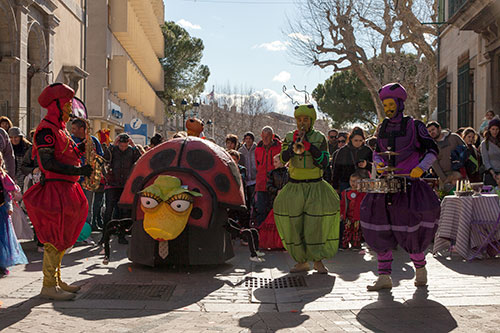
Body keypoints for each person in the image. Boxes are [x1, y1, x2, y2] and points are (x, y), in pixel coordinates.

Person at [360, 83, 440, 291]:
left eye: (390, 104)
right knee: (379, 228)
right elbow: (377, 151)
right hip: (387, 185)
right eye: (384, 104)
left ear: (399, 103)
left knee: (410, 230)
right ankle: (384, 276)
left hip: (410, 185)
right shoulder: (383, 127)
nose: (387, 108)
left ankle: (420, 268)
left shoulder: (415, 126)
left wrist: (421, 168)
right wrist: (377, 161)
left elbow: (432, 150)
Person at [23, 83, 92, 300]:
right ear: (57, 104)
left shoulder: (61, 129)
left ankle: (57, 279)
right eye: (68, 102)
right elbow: (48, 162)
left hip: (67, 188)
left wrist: (83, 148)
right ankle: (48, 286)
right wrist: (78, 170)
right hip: (55, 189)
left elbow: (65, 153)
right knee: (53, 238)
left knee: (63, 236)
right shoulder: (46, 130)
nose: (71, 107)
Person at [274, 104, 340, 274]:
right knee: (295, 224)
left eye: (305, 119)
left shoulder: (319, 137)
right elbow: (282, 158)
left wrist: (310, 147)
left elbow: (325, 162)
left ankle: (318, 260)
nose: (302, 123)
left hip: (315, 186)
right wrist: (292, 145)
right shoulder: (289, 137)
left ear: (311, 121)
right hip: (295, 186)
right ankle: (301, 261)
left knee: (315, 224)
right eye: (299, 119)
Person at [102, 133, 141, 244]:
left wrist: (134, 146)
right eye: (121, 145)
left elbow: (139, 160)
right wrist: (113, 146)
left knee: (122, 212)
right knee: (109, 210)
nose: (123, 148)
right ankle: (104, 236)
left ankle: (121, 236)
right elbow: (105, 158)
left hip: (125, 185)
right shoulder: (113, 150)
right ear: (118, 143)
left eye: (125, 145)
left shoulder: (131, 151)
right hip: (112, 184)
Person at [70, 118, 104, 233]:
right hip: (74, 178)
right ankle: (73, 232)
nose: (72, 130)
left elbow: (101, 156)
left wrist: (94, 156)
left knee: (87, 207)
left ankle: (85, 233)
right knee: (74, 207)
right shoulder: (70, 139)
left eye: (74, 128)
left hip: (89, 178)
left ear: (82, 129)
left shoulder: (93, 140)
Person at [0, 151, 28, 276]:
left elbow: (9, 193)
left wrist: (9, 206)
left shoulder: (3, 176)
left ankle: (2, 264)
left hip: (1, 210)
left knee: (3, 239)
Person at [259, 154, 288, 249]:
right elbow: (269, 186)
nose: (274, 164)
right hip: (275, 200)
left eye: (276, 162)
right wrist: (276, 191)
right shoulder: (272, 173)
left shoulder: (290, 173)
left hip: (287, 201)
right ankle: (274, 243)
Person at [331, 127, 373, 193]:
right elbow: (336, 169)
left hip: (363, 183)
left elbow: (374, 167)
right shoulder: (343, 151)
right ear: (351, 139)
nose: (358, 143)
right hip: (346, 182)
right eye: (356, 140)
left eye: (360, 141)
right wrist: (335, 186)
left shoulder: (367, 150)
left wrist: (366, 164)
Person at [254, 126, 281, 226]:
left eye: (267, 136)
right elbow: (257, 165)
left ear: (272, 136)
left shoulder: (279, 147)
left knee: (274, 211)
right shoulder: (258, 148)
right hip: (261, 185)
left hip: (275, 185)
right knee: (261, 210)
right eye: (263, 136)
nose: (265, 139)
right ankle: (261, 234)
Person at [427, 121, 465, 189]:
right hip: (445, 177)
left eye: (433, 129)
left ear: (439, 128)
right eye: (429, 131)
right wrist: (444, 179)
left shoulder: (454, 137)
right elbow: (435, 164)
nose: (432, 132)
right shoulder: (431, 146)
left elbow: (465, 151)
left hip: (460, 174)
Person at [340, 171, 368, 251]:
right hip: (348, 216)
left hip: (358, 216)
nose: (353, 183)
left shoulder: (363, 193)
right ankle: (345, 244)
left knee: (357, 231)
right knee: (347, 230)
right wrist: (342, 213)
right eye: (351, 181)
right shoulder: (345, 192)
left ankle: (356, 244)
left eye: (356, 181)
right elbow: (342, 204)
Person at [238, 132, 257, 220]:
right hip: (245, 180)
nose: (248, 141)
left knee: (254, 201)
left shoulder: (256, 149)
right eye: (247, 139)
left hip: (255, 179)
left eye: (250, 139)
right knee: (246, 201)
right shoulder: (241, 151)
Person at [480, 118, 500, 187]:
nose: (495, 131)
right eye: (493, 129)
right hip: (490, 174)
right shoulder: (485, 144)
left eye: (497, 129)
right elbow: (485, 160)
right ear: (489, 129)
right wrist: (493, 173)